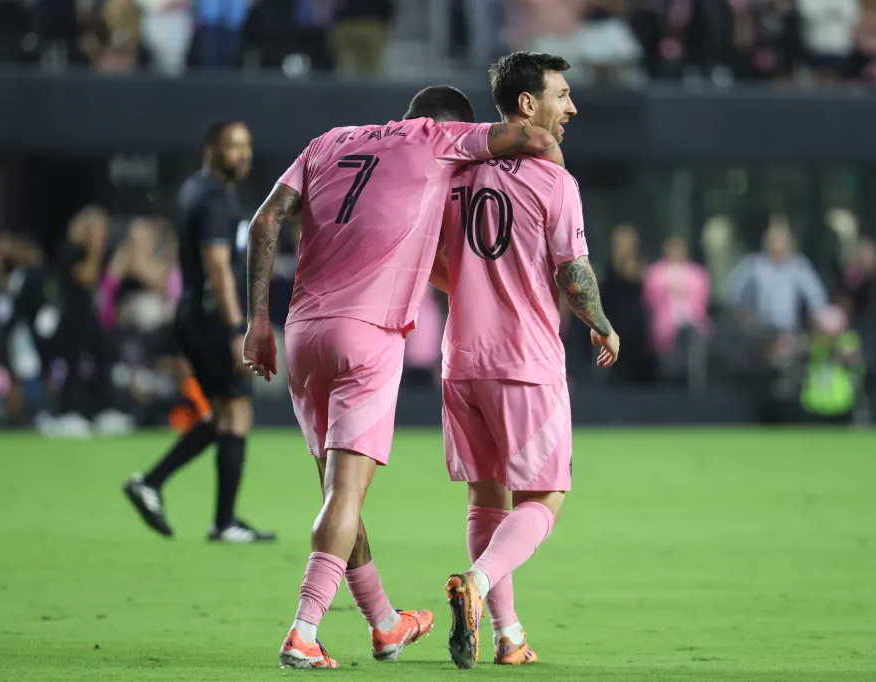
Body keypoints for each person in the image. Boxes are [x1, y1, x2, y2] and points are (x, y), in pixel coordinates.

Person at [243, 85, 562, 668]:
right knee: (345, 494)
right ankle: (303, 631)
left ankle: (386, 624)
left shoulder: (328, 141)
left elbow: (265, 221)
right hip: (368, 333)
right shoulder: (439, 140)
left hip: (301, 335)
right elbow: (537, 137)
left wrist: (256, 322)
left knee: (338, 492)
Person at [436, 51, 618, 670]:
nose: (572, 107)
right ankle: (478, 584)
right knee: (544, 499)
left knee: (486, 501)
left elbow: (437, 265)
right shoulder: (554, 182)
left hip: (461, 361)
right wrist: (601, 323)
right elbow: (573, 270)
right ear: (526, 105)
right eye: (561, 95)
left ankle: (509, 636)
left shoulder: (455, 180)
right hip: (526, 362)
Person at [122, 121, 274, 543]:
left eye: (247, 146)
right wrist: (234, 330)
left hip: (193, 316)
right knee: (236, 412)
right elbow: (218, 269)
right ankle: (217, 518)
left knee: (224, 416)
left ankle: (158, 487)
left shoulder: (195, 190)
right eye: (233, 147)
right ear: (211, 150)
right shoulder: (213, 198)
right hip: (210, 318)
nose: (243, 155)